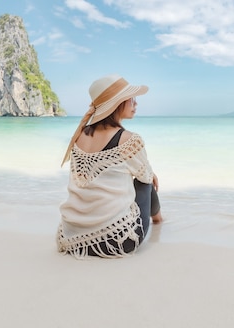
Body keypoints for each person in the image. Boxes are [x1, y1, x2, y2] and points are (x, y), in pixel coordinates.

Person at [56, 74, 162, 259]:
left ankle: (156, 217)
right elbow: (145, 179)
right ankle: (159, 219)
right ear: (118, 103)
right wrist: (149, 174)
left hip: (73, 238)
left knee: (142, 174)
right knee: (146, 178)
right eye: (131, 99)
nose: (135, 103)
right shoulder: (130, 140)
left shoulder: (78, 137)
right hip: (116, 240)